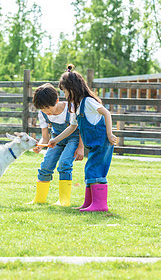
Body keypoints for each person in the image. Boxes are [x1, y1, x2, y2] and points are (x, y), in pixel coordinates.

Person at [48, 64, 117, 212]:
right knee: (90, 169)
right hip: (94, 144)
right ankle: (90, 202)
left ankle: (100, 205)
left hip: (102, 142)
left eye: (65, 92)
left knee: (95, 170)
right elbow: (72, 127)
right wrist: (55, 139)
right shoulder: (77, 107)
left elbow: (107, 113)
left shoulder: (89, 102)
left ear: (72, 89)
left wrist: (110, 134)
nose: (65, 96)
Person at [28, 83, 84, 206]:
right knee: (45, 166)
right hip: (55, 140)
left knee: (64, 164)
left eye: (48, 108)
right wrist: (40, 146)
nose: (47, 112)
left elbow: (80, 129)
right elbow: (45, 137)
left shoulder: (71, 108)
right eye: (43, 109)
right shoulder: (42, 114)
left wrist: (81, 147)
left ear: (57, 100)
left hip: (73, 139)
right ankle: (39, 199)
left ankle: (64, 201)